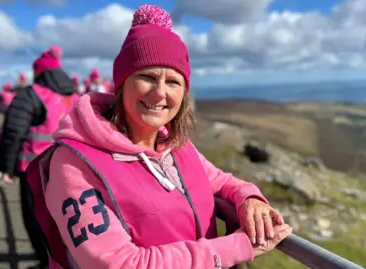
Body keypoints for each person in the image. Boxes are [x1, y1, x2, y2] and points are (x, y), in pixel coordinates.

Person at [25, 4, 292, 269]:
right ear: (121, 84)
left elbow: (221, 181)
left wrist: (249, 198)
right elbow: (118, 264)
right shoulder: (75, 163)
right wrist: (237, 247)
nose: (159, 93)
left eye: (173, 82)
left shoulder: (175, 146)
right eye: (147, 77)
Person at [0, 46, 79, 269]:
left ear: (39, 73)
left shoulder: (31, 94)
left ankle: (46, 264)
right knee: (64, 223)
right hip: (70, 170)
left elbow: (13, 131)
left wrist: (6, 165)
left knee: (35, 220)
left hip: (34, 170)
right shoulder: (74, 96)